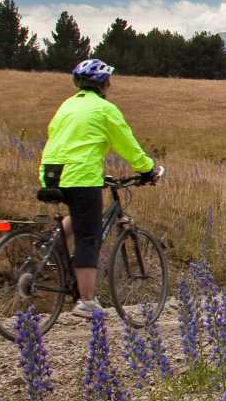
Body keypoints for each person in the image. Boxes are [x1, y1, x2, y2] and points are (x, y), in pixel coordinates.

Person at [38, 58, 162, 320]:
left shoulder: (67, 105)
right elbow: (127, 145)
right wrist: (148, 170)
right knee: (88, 237)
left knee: (80, 215)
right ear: (104, 84)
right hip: (81, 177)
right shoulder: (105, 109)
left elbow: (60, 138)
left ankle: (51, 244)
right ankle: (86, 302)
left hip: (51, 174)